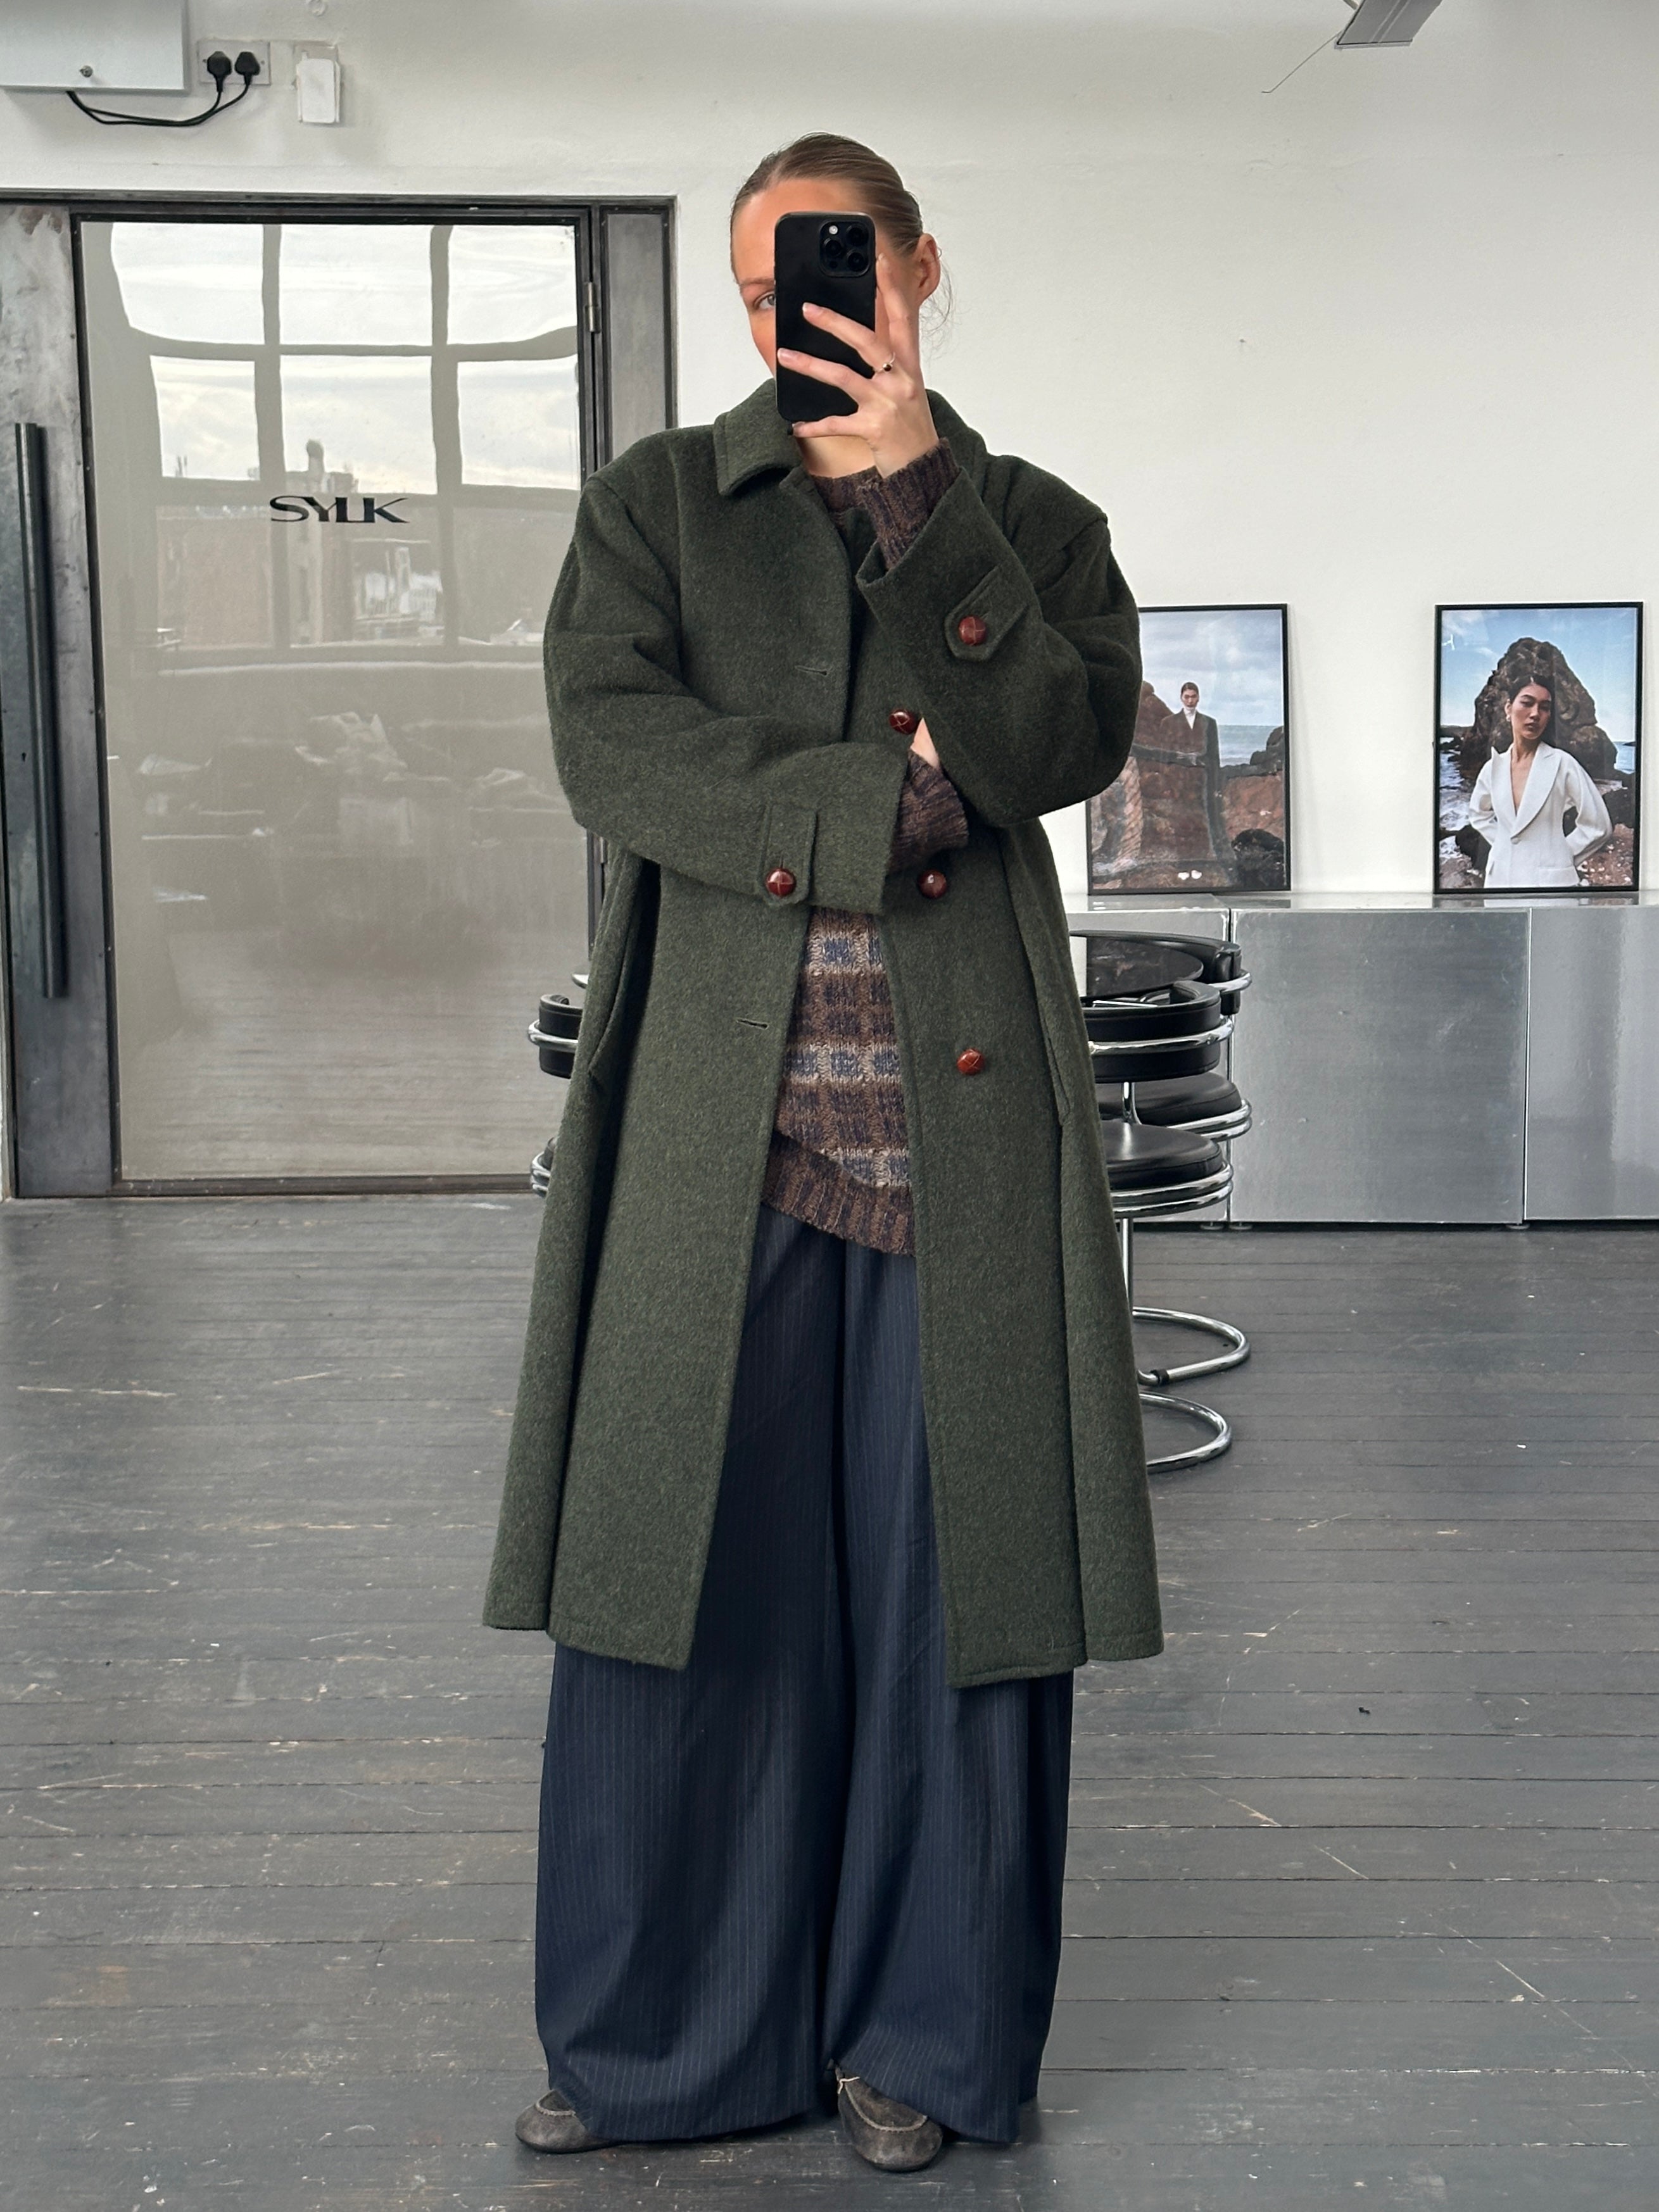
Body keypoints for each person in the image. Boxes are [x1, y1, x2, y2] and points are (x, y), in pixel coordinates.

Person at [484, 132, 1161, 2174]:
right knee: (677, 1593)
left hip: (963, 1146)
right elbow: (615, 746)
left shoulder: (1032, 524)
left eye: (840, 261)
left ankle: (923, 2048)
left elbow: (1054, 745)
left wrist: (919, 503)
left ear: (917, 269)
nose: (804, 302)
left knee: (964, 1606)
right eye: (768, 274)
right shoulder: (657, 507)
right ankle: (656, 2046)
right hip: (721, 1139)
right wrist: (890, 805)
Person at [1465, 676, 1613, 888]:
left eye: (1544, 707)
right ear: (1508, 709)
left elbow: (1598, 825)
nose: (1535, 714)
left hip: (1551, 885)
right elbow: (1478, 813)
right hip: (1500, 881)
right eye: (1527, 703)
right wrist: (1503, 843)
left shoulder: (1562, 763)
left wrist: (1561, 855)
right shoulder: (1493, 768)